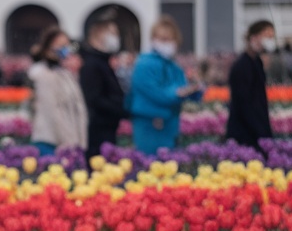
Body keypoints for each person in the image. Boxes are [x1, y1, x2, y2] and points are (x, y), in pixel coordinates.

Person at [128, 17, 202, 155]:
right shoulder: (145, 64)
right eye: (162, 39)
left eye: (170, 39)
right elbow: (157, 94)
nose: (167, 43)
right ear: (153, 39)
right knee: (149, 165)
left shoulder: (174, 66)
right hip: (150, 124)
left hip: (170, 124)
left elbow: (189, 93)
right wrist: (178, 93)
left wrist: (195, 87)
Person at [28, 26, 88, 154]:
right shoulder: (43, 75)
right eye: (61, 45)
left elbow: (77, 107)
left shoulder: (65, 73)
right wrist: (68, 142)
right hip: (52, 141)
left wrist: (79, 141)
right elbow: (52, 112)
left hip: (70, 140)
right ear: (48, 47)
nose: (65, 49)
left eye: (67, 45)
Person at [226, 19, 276, 152]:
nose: (270, 40)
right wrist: (260, 131)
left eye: (272, 37)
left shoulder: (256, 62)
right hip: (245, 132)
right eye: (267, 36)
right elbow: (244, 103)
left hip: (257, 128)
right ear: (254, 37)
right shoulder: (242, 66)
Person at [79, 14, 125, 157]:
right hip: (98, 129)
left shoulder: (102, 61)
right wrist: (119, 108)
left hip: (107, 126)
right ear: (100, 35)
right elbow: (94, 98)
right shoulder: (92, 64)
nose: (116, 38)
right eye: (112, 33)